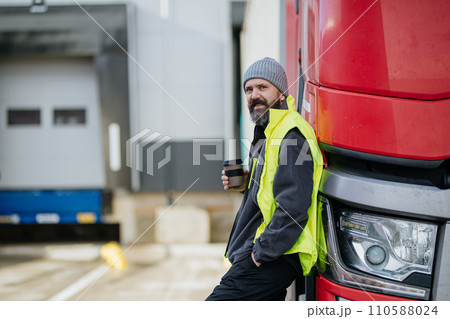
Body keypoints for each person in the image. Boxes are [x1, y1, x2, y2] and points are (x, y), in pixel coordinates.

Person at [206, 57, 326, 301]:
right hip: (270, 253)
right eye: (249, 89)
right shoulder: (268, 132)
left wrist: (259, 255)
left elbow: (294, 206)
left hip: (276, 255)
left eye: (262, 87)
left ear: (281, 93)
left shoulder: (291, 135)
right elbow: (275, 189)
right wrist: (247, 185)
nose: (254, 95)